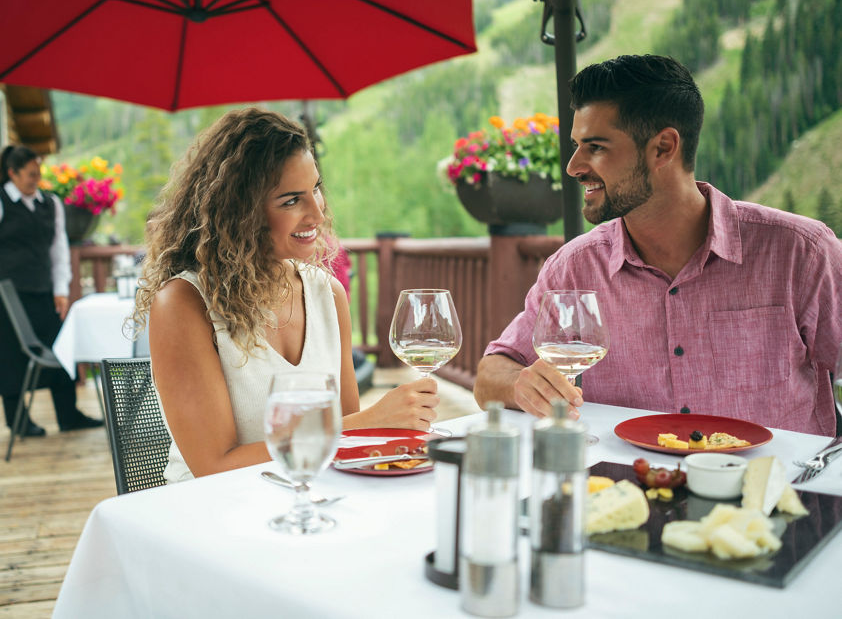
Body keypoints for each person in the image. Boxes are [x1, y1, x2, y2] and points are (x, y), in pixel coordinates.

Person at [475, 54, 842, 436]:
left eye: (596, 147)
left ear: (664, 148)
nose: (573, 166)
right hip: (627, 494)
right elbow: (490, 374)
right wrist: (520, 385)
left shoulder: (802, 253)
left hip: (775, 492)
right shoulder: (574, 268)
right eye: (576, 145)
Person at [133, 108, 438, 482]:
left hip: (309, 499)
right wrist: (373, 420)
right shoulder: (183, 304)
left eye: (316, 190)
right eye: (292, 200)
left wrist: (391, 429)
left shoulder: (328, 293)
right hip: (213, 513)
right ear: (241, 212)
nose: (317, 212)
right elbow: (214, 466)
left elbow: (344, 443)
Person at [0, 145, 103, 436]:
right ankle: (18, 421)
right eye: (30, 174)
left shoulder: (50, 204)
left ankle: (68, 415)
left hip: (42, 290)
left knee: (59, 347)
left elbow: (59, 250)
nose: (36, 179)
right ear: (12, 173)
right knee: (10, 355)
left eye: (38, 174)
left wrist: (61, 289)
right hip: (6, 294)